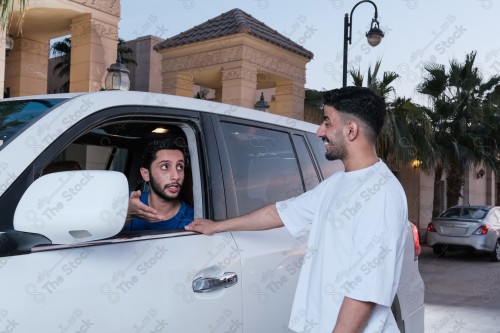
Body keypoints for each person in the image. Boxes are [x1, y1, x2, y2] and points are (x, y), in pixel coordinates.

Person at [185, 86, 408, 333]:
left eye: (327, 122)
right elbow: (278, 213)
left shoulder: (381, 195)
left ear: (351, 130)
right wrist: (218, 226)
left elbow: (364, 294)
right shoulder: (336, 184)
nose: (319, 131)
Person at [123, 138, 194, 231]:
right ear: (146, 174)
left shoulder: (193, 217)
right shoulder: (127, 202)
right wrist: (127, 214)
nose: (176, 176)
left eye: (180, 167)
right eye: (165, 167)